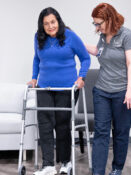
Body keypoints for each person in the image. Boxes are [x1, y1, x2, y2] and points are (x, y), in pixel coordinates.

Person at [27, 7, 90, 175]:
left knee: (62, 124)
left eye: (53, 22)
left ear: (58, 21)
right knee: (45, 124)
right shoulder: (38, 37)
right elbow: (36, 58)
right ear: (42, 25)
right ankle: (48, 165)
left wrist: (81, 77)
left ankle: (66, 162)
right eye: (46, 23)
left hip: (66, 88)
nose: (50, 26)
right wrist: (34, 78)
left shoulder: (70, 36)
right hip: (45, 87)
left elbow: (85, 57)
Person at [85, 3, 131, 175]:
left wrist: (129, 90)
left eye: (99, 23)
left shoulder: (127, 35)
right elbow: (98, 51)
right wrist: (78, 43)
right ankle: (98, 172)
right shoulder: (103, 36)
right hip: (102, 90)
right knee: (101, 132)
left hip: (124, 92)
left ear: (110, 19)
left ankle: (116, 169)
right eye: (94, 23)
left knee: (120, 132)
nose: (97, 27)